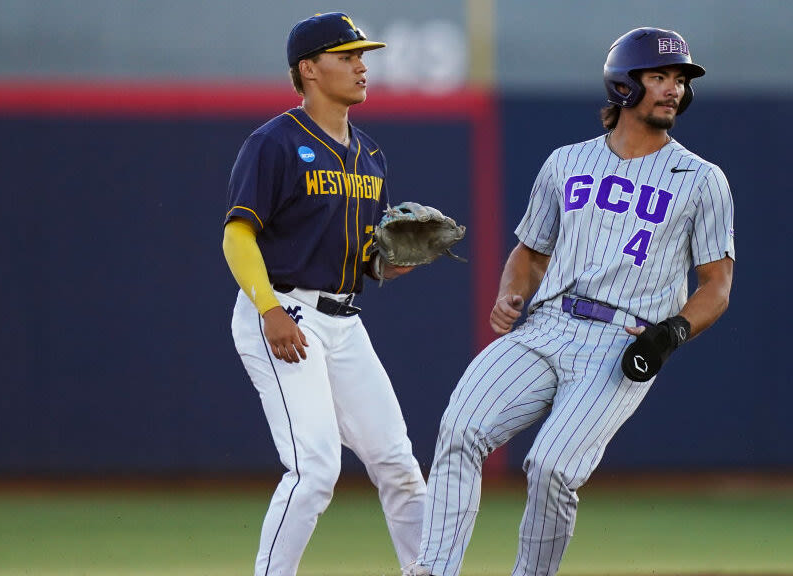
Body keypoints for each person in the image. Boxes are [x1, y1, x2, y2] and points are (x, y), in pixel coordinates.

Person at [405, 27, 735, 576]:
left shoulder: (703, 180)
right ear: (624, 85)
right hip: (547, 325)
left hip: (621, 342)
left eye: (679, 79)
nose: (673, 89)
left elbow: (716, 285)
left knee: (552, 469)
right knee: (460, 429)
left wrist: (671, 333)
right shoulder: (565, 163)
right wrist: (512, 292)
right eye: (659, 77)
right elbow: (529, 254)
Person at [222, 12, 426, 576]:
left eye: (363, 55)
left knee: (398, 463)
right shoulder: (275, 143)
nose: (363, 65)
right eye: (347, 55)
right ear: (308, 70)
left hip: (343, 320)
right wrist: (268, 307)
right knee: (314, 468)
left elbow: (358, 256)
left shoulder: (371, 155)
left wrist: (386, 263)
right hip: (284, 311)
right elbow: (237, 235)